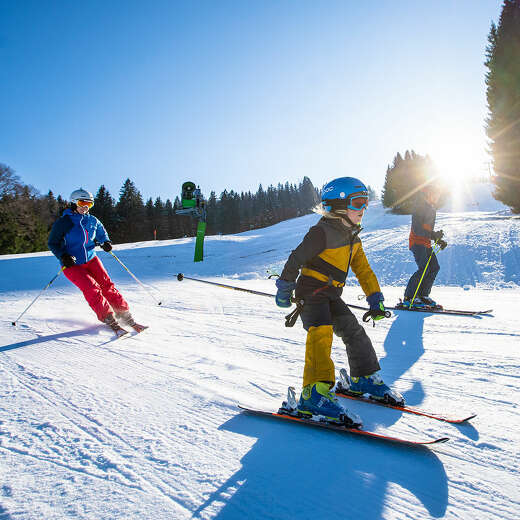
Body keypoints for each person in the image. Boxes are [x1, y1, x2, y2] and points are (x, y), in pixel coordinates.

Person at [275, 177, 403, 427]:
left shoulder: (353, 238)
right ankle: (313, 393)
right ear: (337, 206)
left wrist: (375, 299)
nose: (363, 209)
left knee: (353, 331)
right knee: (320, 333)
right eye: (358, 203)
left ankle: (363, 378)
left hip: (331, 293)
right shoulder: (321, 232)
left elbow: (364, 270)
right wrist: (285, 287)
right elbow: (296, 258)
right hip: (310, 291)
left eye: (365, 203)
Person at [48, 188, 146, 335]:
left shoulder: (92, 220)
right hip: (72, 264)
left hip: (91, 258)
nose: (85, 207)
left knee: (107, 284)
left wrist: (105, 241)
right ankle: (108, 317)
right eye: (82, 203)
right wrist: (63, 256)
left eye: (89, 204)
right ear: (73, 203)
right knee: (92, 288)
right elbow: (53, 243)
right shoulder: (64, 222)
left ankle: (124, 315)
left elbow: (101, 232)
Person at [402, 184, 447, 308]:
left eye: (439, 194)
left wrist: (437, 239)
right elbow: (417, 230)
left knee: (434, 267)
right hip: (416, 242)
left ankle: (423, 295)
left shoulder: (431, 209)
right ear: (428, 194)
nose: (437, 197)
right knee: (424, 269)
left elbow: (426, 230)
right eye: (435, 194)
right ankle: (409, 297)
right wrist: (433, 235)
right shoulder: (419, 207)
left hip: (425, 243)